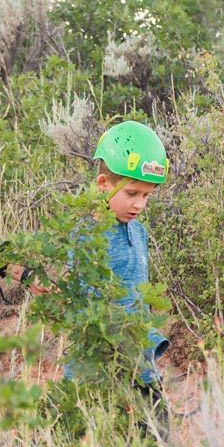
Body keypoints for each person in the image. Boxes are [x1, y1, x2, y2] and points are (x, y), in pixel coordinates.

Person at [86, 121, 172, 400]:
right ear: (103, 184)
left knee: (156, 436)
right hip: (102, 372)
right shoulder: (88, 237)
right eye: (132, 193)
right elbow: (89, 309)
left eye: (147, 195)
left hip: (142, 367)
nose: (139, 204)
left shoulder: (139, 230)